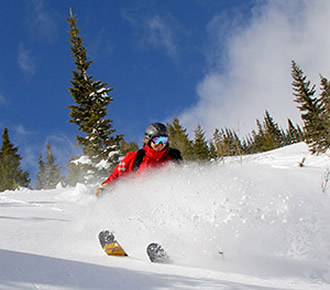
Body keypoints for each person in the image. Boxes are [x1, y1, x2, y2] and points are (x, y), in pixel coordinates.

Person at [96, 122, 183, 196]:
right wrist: (106, 187)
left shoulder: (173, 157)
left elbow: (182, 176)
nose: (160, 144)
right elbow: (117, 174)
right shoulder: (136, 157)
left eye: (163, 140)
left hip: (165, 199)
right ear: (148, 140)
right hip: (139, 200)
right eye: (156, 140)